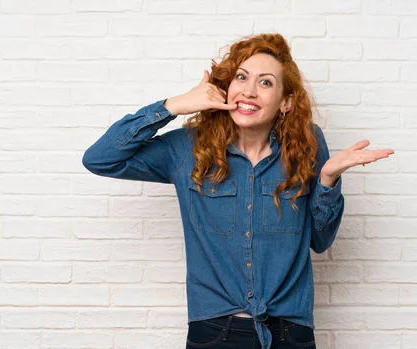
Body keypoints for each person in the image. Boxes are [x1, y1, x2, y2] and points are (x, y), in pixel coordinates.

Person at [82, 33, 394, 349]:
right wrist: (173, 105)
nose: (249, 89)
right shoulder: (189, 148)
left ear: (286, 102)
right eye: (242, 77)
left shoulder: (307, 146)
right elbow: (100, 158)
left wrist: (327, 181)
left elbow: (320, 241)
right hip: (215, 332)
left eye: (266, 82)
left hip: (289, 333)